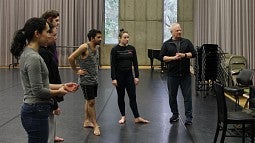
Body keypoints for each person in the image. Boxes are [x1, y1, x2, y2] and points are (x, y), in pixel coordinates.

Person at [10, 17, 78, 143]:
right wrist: (59, 92)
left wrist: (62, 85)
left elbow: (43, 84)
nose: (49, 35)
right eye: (47, 32)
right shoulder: (33, 57)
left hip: (35, 110)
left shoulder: (29, 54)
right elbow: (38, 91)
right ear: (37, 34)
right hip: (36, 111)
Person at [160, 23, 197, 125]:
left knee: (187, 97)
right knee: (172, 96)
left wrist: (184, 55)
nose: (180, 32)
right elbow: (162, 57)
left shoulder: (187, 42)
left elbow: (194, 53)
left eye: (180, 30)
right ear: (172, 32)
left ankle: (189, 117)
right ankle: (175, 114)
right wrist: (173, 58)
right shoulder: (166, 44)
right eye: (177, 30)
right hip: (172, 75)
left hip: (185, 75)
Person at [110, 29, 149, 124]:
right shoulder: (115, 50)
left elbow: (135, 63)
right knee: (121, 96)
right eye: (125, 37)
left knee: (132, 96)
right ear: (120, 38)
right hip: (119, 77)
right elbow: (113, 65)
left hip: (129, 76)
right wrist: (113, 78)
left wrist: (137, 76)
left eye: (128, 37)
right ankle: (123, 116)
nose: (127, 39)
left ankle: (137, 117)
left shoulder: (132, 49)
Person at [68, 29, 102, 136]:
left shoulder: (96, 48)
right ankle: (95, 124)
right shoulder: (84, 47)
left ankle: (87, 121)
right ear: (92, 38)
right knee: (91, 102)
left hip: (93, 79)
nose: (100, 39)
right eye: (98, 37)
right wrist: (76, 70)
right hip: (86, 80)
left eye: (101, 37)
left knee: (88, 101)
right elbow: (71, 58)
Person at [41, 10, 63, 142]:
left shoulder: (50, 42)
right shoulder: (44, 48)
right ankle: (49, 136)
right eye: (57, 20)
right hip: (48, 79)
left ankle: (52, 135)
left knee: (52, 112)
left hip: (53, 74)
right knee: (50, 110)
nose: (59, 23)